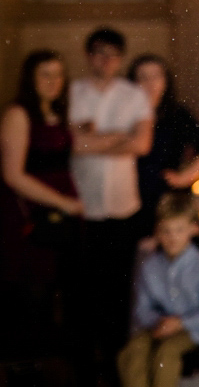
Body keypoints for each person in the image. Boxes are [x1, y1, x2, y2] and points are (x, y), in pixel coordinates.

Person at [70, 27, 155, 374]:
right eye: (100, 53)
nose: (107, 61)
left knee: (118, 290)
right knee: (82, 290)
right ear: (90, 55)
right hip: (82, 206)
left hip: (123, 207)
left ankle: (115, 365)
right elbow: (73, 144)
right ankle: (83, 366)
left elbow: (142, 145)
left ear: (120, 58)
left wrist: (94, 139)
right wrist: (121, 135)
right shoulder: (73, 92)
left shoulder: (134, 95)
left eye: (114, 54)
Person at [0, 50, 83, 356]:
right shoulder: (18, 114)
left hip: (56, 218)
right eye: (45, 75)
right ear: (30, 79)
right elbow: (12, 175)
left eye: (58, 74)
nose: (53, 81)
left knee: (50, 298)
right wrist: (65, 202)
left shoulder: (56, 113)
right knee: (29, 299)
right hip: (29, 218)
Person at [119, 191, 199, 387]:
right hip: (159, 325)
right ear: (158, 231)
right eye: (166, 231)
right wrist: (160, 323)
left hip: (196, 329)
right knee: (133, 351)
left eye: (179, 230)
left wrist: (179, 324)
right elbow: (142, 307)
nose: (172, 237)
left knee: (166, 353)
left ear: (193, 229)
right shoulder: (150, 266)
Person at [128, 54, 199, 238]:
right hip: (129, 194)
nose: (150, 83)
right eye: (143, 77)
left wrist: (184, 177)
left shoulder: (178, 114)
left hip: (165, 197)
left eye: (156, 76)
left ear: (166, 80)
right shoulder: (126, 114)